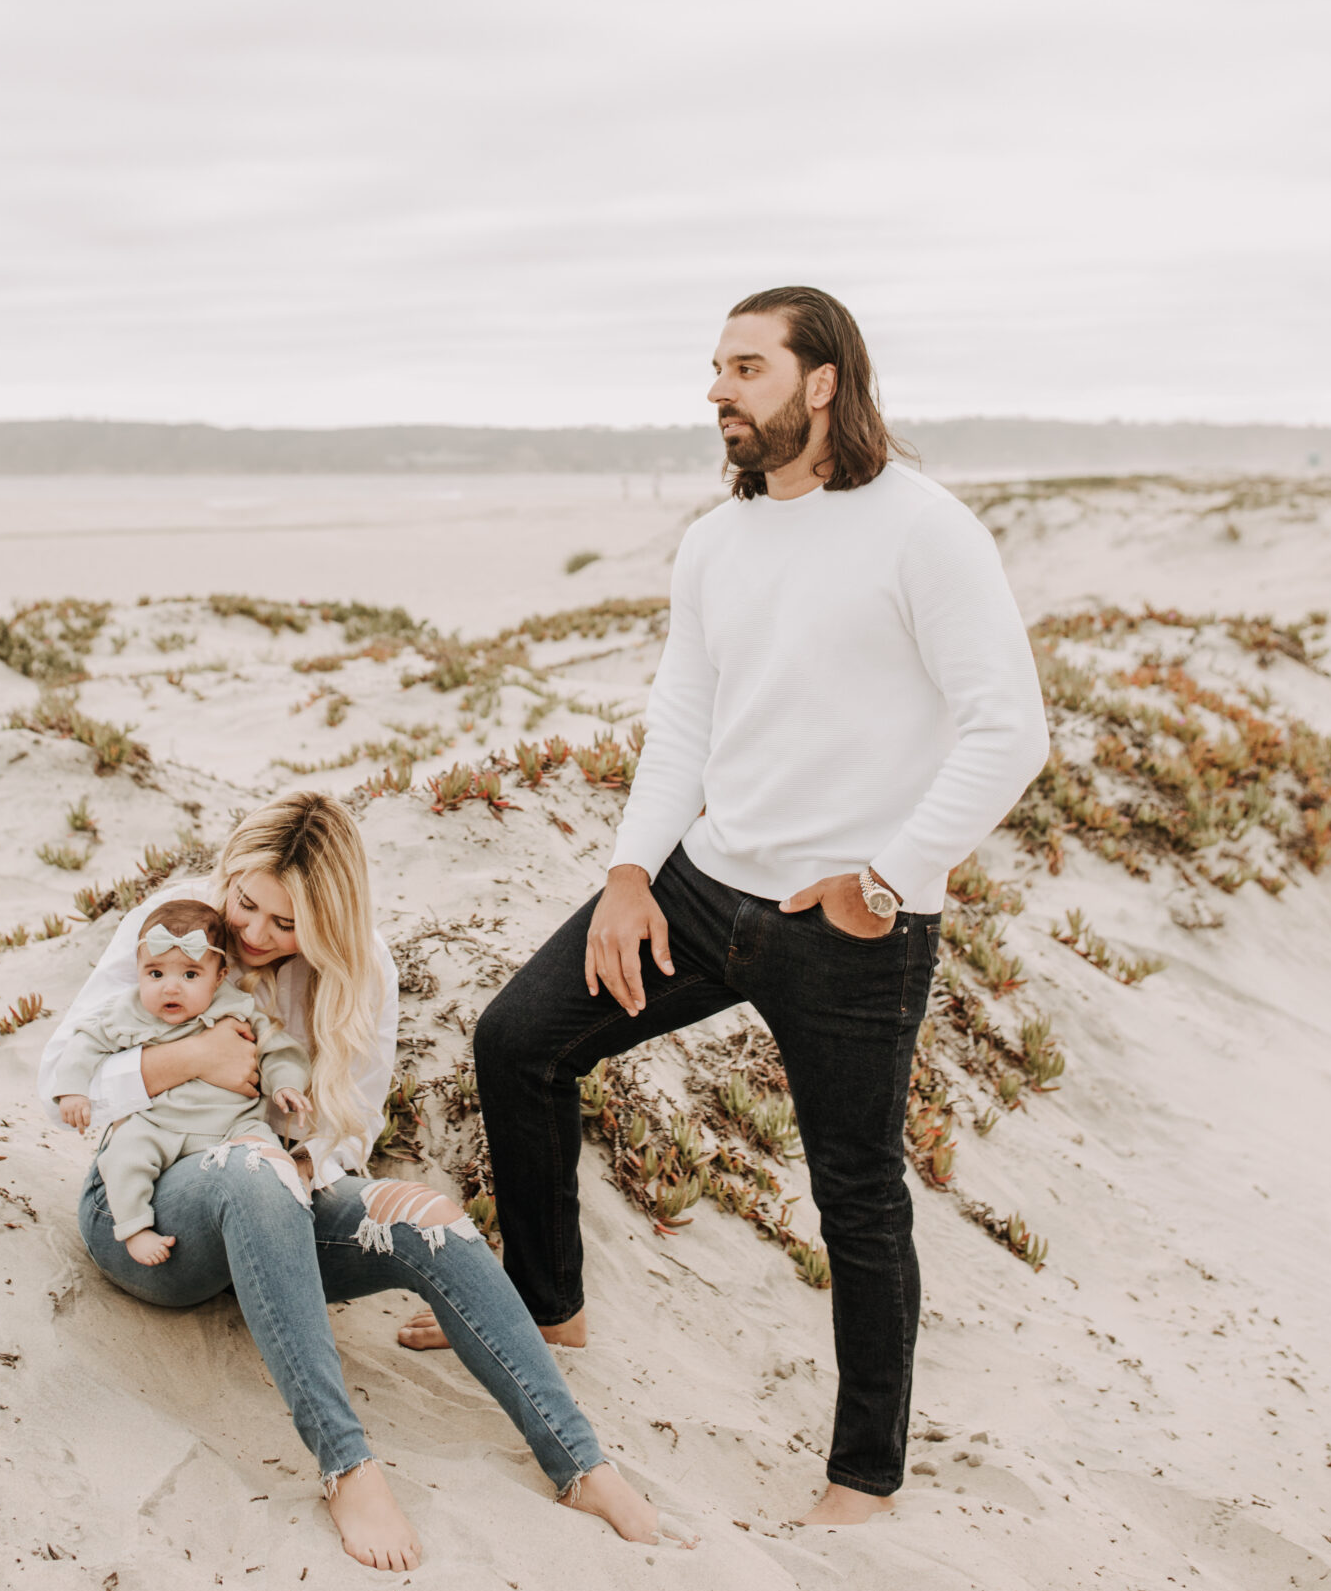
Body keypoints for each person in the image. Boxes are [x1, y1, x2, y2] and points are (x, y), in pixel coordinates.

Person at [437, 286, 1048, 1528]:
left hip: (848, 927)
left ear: (822, 383)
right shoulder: (716, 542)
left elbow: (1010, 729)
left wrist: (886, 880)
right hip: (704, 887)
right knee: (519, 1040)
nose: (719, 389)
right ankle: (548, 1303)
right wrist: (625, 872)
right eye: (714, 368)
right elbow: (685, 724)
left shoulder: (922, 530)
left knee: (857, 1195)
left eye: (747, 367)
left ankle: (863, 1477)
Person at [38, 790, 685, 1570]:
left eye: (286, 925)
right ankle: (347, 1466)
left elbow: (352, 1131)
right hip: (145, 1216)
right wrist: (189, 1060)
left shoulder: (360, 966)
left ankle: (582, 1465)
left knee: (427, 1216)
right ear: (231, 873)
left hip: (277, 1210)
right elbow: (56, 1085)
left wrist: (303, 1160)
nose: (253, 934)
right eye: (247, 905)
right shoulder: (175, 924)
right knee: (250, 1170)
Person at [52, 898, 314, 1263]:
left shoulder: (235, 1006)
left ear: (219, 976)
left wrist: (286, 1084)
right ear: (139, 971)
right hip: (157, 1123)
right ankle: (135, 1228)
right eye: (155, 974)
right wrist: (73, 1090)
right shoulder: (128, 1011)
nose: (170, 988)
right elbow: (85, 1045)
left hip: (232, 1125)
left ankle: (287, 1215)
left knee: (266, 1157)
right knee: (125, 1156)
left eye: (190, 975)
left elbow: (278, 1049)